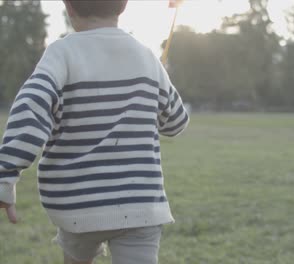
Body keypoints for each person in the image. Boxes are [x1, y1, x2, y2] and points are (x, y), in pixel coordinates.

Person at [0, 0, 190, 263]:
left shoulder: (62, 53)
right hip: (140, 205)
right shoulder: (147, 57)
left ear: (69, 7)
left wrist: (6, 175)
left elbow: (31, 107)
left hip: (76, 205)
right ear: (123, 6)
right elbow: (176, 122)